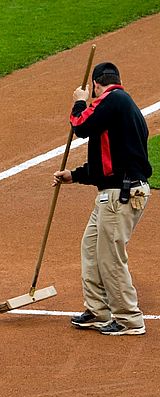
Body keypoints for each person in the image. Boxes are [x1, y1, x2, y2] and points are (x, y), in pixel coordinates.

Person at [53, 61, 152, 336]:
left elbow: (81, 125)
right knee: (92, 248)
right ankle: (98, 311)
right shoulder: (123, 107)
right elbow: (109, 162)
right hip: (114, 192)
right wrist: (75, 175)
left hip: (119, 196)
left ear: (96, 84)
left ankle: (129, 319)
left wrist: (79, 102)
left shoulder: (113, 100)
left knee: (110, 257)